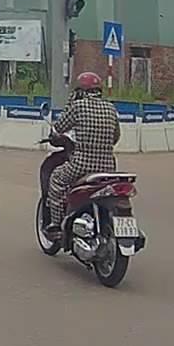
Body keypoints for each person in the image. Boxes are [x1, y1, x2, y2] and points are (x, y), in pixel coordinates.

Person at [46, 72, 120, 240]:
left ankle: (56, 224)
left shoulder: (78, 106)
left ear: (80, 91)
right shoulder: (111, 108)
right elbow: (115, 137)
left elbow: (59, 128)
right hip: (108, 168)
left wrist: (70, 105)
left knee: (56, 179)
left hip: (81, 165)